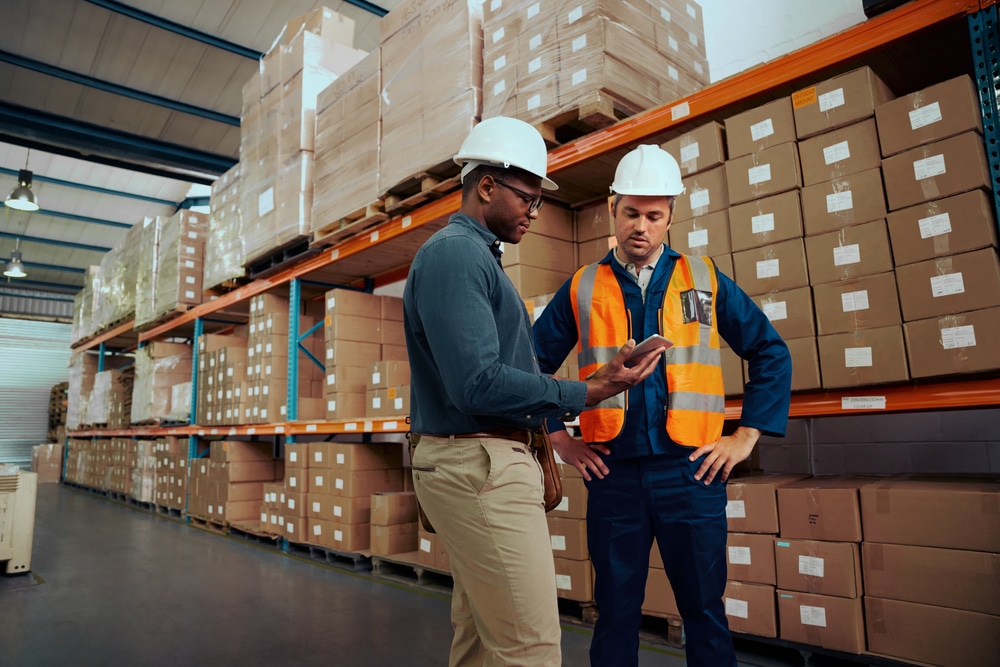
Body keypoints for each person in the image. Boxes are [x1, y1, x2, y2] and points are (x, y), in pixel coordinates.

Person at [402, 118, 666, 667]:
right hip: (477, 466)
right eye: (528, 197)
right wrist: (589, 391)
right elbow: (477, 383)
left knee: (482, 640)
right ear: (487, 186)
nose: (534, 211)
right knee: (530, 648)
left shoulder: (478, 257)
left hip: (479, 463)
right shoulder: (456, 255)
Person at [532, 144, 793, 667]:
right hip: (614, 476)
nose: (642, 227)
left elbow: (770, 351)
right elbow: (531, 365)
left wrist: (745, 437)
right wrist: (557, 437)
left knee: (703, 611)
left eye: (654, 215)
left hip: (691, 474)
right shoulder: (584, 285)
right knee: (616, 612)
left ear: (672, 214)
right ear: (612, 208)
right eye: (631, 213)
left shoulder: (704, 278)